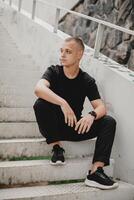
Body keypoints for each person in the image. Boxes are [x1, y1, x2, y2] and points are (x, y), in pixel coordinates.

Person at [33, 37, 118, 190]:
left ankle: (96, 172)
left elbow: (101, 107)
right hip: (55, 126)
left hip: (75, 126)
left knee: (109, 121)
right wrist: (63, 103)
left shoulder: (87, 80)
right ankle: (57, 148)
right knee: (40, 104)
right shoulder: (53, 71)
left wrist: (91, 115)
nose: (62, 55)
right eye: (61, 51)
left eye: (68, 51)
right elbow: (39, 89)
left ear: (79, 55)